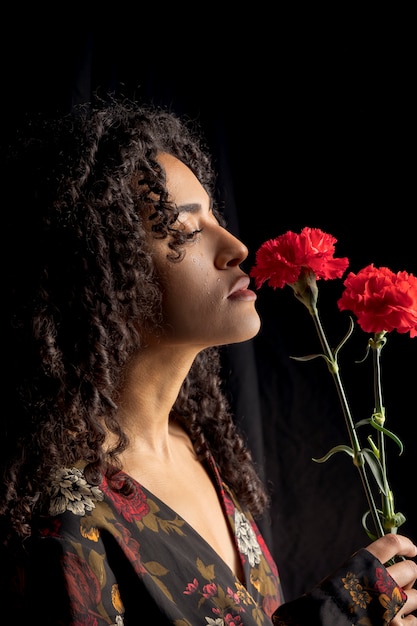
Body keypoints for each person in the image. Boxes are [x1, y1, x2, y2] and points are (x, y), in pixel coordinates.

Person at [1, 96, 416, 626]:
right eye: (189, 229)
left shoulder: (196, 446)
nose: (238, 247)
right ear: (101, 270)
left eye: (216, 218)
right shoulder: (64, 521)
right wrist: (334, 617)